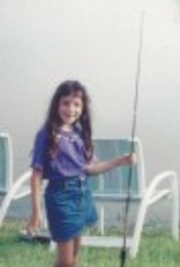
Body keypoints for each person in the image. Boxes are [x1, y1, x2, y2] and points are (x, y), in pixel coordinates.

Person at [26, 80, 136, 267]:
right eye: (66, 103)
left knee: (74, 256)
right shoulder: (46, 134)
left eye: (76, 104)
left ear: (83, 108)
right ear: (56, 105)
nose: (71, 109)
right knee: (66, 262)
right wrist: (36, 214)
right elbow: (36, 176)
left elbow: (89, 168)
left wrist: (120, 161)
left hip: (82, 194)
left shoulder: (79, 133)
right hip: (60, 198)